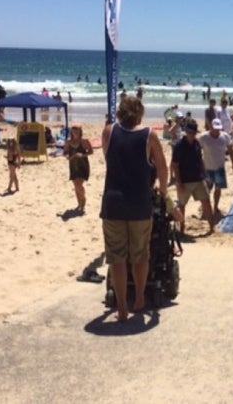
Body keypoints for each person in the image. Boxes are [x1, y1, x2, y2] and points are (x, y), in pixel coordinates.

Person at [100, 96, 168, 321]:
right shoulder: (149, 135)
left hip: (113, 201)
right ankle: (139, 298)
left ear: (120, 112)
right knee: (140, 254)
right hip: (139, 202)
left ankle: (121, 307)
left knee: (116, 257)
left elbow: (109, 160)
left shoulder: (109, 132)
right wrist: (164, 191)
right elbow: (162, 167)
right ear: (140, 113)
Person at [171, 119, 215, 234]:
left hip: (198, 179)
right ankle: (181, 229)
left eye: (194, 132)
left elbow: (200, 161)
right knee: (182, 206)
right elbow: (175, 165)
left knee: (206, 202)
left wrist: (205, 176)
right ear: (186, 132)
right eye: (190, 132)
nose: (192, 135)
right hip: (184, 181)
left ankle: (212, 228)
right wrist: (179, 183)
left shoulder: (196, 143)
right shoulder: (179, 146)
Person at [198, 118, 233, 216]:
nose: (216, 131)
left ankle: (215, 207)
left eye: (218, 129)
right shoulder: (204, 137)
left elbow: (230, 150)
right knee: (206, 190)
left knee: (218, 189)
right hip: (207, 168)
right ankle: (205, 208)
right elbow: (197, 150)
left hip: (220, 168)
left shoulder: (225, 137)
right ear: (211, 127)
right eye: (215, 129)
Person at [63, 125, 93, 214]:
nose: (75, 131)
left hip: (83, 165)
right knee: (75, 186)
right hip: (73, 166)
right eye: (73, 130)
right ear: (71, 131)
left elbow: (91, 152)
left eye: (77, 130)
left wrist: (82, 155)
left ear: (80, 131)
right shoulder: (68, 142)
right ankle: (79, 203)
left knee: (79, 185)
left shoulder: (84, 141)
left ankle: (83, 200)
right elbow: (65, 152)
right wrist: (66, 156)